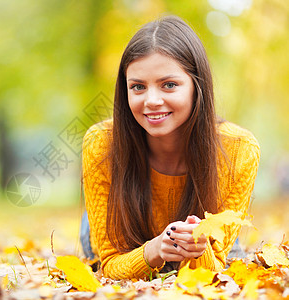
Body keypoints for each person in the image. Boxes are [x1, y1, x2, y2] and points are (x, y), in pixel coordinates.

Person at [81, 15, 260, 280]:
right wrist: (154, 249)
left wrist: (197, 249)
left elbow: (213, 270)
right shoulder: (101, 143)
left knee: (230, 256)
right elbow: (110, 265)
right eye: (138, 87)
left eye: (169, 85)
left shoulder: (238, 150)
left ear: (196, 87)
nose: (152, 100)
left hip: (204, 245)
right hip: (123, 236)